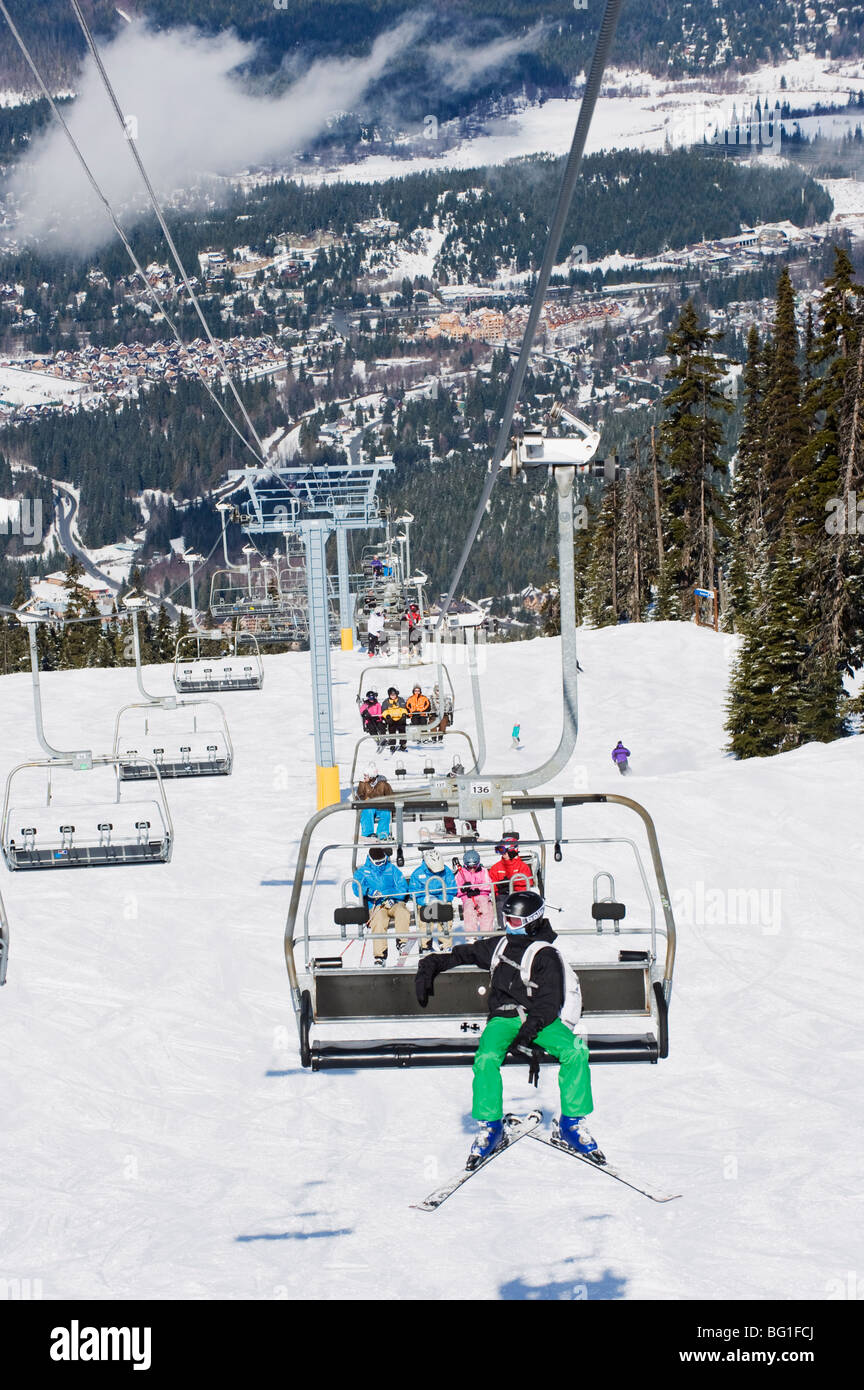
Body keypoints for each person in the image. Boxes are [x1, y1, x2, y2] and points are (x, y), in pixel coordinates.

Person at [415, 889, 599, 1167]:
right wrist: (431, 964)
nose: (508, 926)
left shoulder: (545, 955)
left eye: (513, 921)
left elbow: (550, 1002)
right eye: (505, 920)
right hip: (503, 1018)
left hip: (540, 1021)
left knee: (575, 1051)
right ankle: (491, 1125)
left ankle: (571, 1123)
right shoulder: (500, 946)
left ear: (532, 920)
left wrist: (529, 1032)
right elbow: (464, 954)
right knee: (486, 1058)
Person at [352, 844, 410, 965]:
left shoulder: (391, 869)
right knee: (378, 921)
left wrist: (393, 897)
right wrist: (369, 891)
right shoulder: (363, 872)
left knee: (402, 912)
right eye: (377, 863)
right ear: (371, 860)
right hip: (377, 904)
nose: (380, 865)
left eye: (382, 861)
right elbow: (356, 887)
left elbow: (402, 886)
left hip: (394, 902)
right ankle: (380, 955)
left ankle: (402, 942)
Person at [408, 847, 458, 953]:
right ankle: (426, 945)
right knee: (424, 919)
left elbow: (452, 888)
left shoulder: (446, 871)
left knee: (446, 917)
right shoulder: (417, 874)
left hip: (442, 899)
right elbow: (414, 893)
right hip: (426, 901)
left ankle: (446, 944)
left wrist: (442, 899)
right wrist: (427, 900)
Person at [456, 847, 496, 935]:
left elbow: (488, 885)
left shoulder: (483, 871)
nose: (472, 869)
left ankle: (487, 934)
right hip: (468, 898)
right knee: (469, 912)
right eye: (469, 867)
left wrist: (478, 889)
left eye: (474, 866)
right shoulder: (461, 873)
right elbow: (456, 889)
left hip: (482, 896)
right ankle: (471, 936)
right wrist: (464, 889)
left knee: (486, 910)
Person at [356, 764, 393, 840]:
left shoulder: (383, 784)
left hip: (381, 806)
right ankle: (368, 834)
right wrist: (365, 799)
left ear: (371, 777)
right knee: (367, 811)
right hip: (369, 806)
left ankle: (382, 835)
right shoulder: (362, 783)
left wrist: (387, 803)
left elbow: (391, 796)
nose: (364, 777)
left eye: (366, 775)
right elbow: (359, 795)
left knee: (386, 813)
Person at [381, 687, 408, 751]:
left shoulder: (400, 700)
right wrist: (387, 716)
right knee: (392, 732)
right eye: (391, 695)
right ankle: (392, 744)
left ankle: (403, 744)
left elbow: (403, 708)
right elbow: (384, 710)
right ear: (389, 695)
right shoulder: (386, 701)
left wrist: (403, 715)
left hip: (400, 719)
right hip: (391, 719)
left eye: (394, 694)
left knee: (402, 731)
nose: (393, 696)